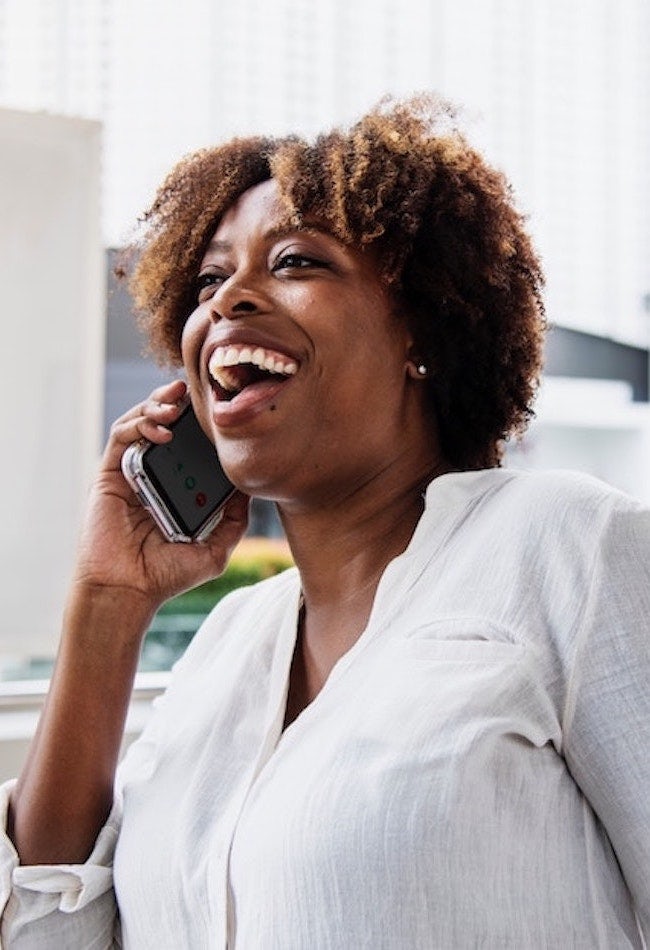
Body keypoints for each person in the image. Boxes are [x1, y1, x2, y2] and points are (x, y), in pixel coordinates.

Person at [1, 94, 648, 948]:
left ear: (423, 325)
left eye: (296, 261)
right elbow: (51, 936)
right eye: (207, 280)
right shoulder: (225, 649)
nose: (230, 297)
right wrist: (106, 607)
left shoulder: (568, 545)